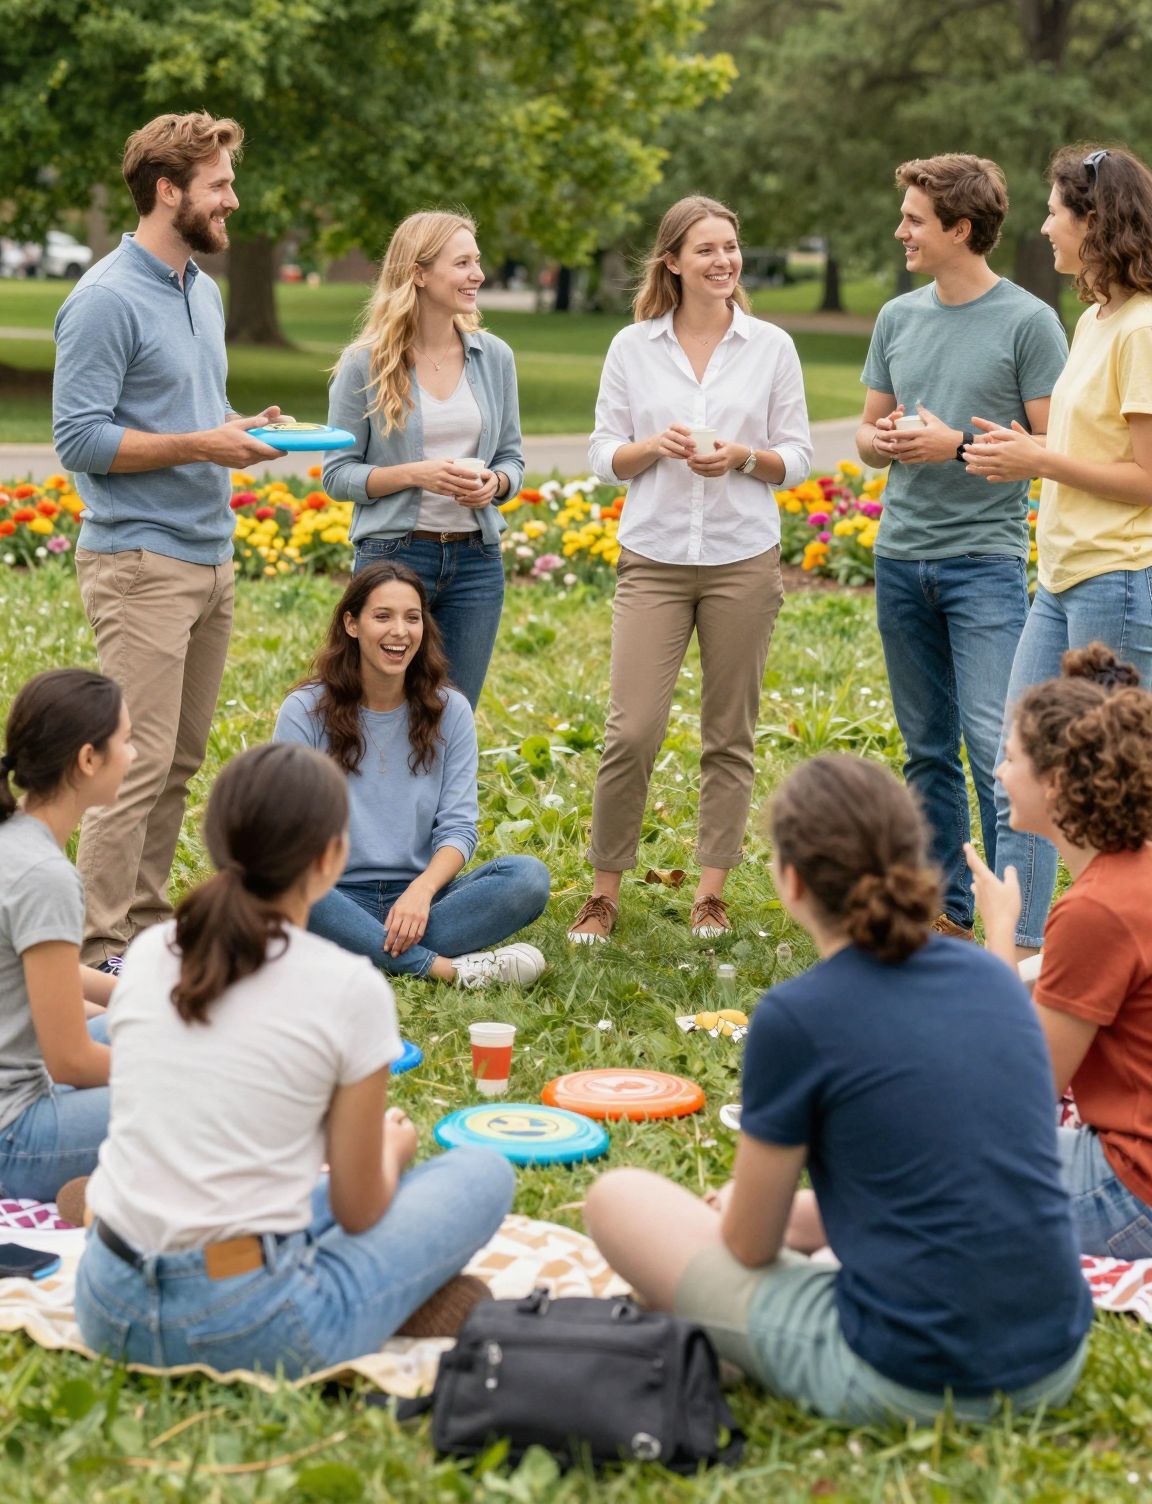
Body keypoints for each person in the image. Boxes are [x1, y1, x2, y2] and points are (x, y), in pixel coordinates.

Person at [584, 753, 1091, 1424]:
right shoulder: (994, 978)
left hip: (915, 1377)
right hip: (1053, 1358)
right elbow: (946, 1174)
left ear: (790, 881)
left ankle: (729, 1343)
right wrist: (801, 1216)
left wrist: (744, 1207)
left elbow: (748, 1248)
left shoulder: (798, 1018)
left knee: (618, 1198)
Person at [74, 744, 516, 1375]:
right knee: (482, 1173)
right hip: (250, 1320)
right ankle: (395, 1298)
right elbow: (359, 1208)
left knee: (284, 1197)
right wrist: (394, 1149)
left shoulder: (149, 953)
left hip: (107, 1301)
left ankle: (384, 1291)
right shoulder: (350, 989)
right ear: (332, 857)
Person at [52, 112, 284, 969]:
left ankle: (143, 937)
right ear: (167, 190)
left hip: (209, 554)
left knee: (179, 761)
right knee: (132, 767)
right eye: (219, 185)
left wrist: (240, 429)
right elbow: (79, 439)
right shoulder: (105, 298)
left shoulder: (202, 289)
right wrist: (203, 444)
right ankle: (92, 949)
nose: (233, 199)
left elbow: (183, 417)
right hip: (140, 562)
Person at [569, 194, 812, 946]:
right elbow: (603, 455)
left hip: (742, 558)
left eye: (731, 247)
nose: (724, 261)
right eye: (706, 249)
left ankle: (711, 893)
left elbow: (798, 456)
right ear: (672, 260)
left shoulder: (770, 346)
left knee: (727, 733)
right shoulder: (632, 347)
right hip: (656, 557)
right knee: (631, 730)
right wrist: (653, 448)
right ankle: (604, 892)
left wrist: (739, 456)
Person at [857, 154, 1067, 940]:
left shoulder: (1028, 323)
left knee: (998, 749)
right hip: (899, 555)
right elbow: (866, 434)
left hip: (983, 563)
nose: (901, 230)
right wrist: (882, 439)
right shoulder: (897, 317)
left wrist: (948, 447)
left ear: (960, 228)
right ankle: (948, 912)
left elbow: (1051, 446)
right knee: (925, 752)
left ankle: (1019, 935)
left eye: (914, 219)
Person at [965, 146, 1152, 949]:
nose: (1042, 225)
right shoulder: (1095, 318)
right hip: (1061, 580)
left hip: (1118, 580)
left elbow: (1144, 476)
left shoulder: (1143, 328)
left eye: (1054, 211)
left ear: (1095, 220)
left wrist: (1038, 460)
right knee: (1023, 777)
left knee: (1110, 789)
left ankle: (1116, 957)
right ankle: (1022, 958)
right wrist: (1026, 450)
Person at [273, 562, 550, 986]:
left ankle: (358, 948)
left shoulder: (450, 710)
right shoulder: (305, 711)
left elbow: (459, 828)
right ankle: (443, 968)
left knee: (527, 878)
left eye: (412, 617)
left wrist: (420, 892)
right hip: (332, 894)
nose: (399, 631)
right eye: (382, 616)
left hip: (424, 900)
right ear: (352, 624)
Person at [967, 645, 1152, 1258]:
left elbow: (1017, 1094)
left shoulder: (1093, 910)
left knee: (923, 1177)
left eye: (1011, 758)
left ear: (1055, 783)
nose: (997, 772)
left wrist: (999, 929)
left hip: (1132, 1188)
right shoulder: (1136, 866)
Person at [324, 211, 523, 708]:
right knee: (380, 711)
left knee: (453, 712)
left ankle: (444, 792)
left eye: (477, 261)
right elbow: (337, 473)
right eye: (462, 263)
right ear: (419, 272)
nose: (478, 274)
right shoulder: (365, 362)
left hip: (477, 561)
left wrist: (495, 484)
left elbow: (512, 459)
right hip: (393, 557)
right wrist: (417, 475)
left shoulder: (494, 356)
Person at [0, 670, 135, 1199]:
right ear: (86, 759)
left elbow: (44, 972)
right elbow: (70, 1060)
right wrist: (174, 1068)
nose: (133, 753)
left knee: (144, 1032)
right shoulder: (44, 875)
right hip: (16, 1133)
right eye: (125, 740)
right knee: (204, 1087)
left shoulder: (16, 840)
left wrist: (136, 998)